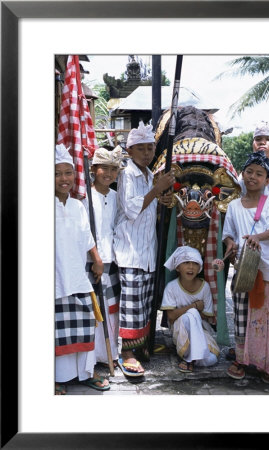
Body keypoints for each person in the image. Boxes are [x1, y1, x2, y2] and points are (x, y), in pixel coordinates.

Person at [113, 121, 175, 378]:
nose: (147, 153)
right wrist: (157, 190)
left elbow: (151, 212)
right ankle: (127, 354)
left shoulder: (150, 175)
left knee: (144, 303)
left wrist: (163, 200)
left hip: (147, 251)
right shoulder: (127, 173)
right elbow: (131, 209)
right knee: (131, 305)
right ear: (130, 151)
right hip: (130, 250)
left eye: (150, 148)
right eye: (142, 149)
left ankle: (140, 347)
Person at [222, 151, 269, 384]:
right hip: (244, 270)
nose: (252, 177)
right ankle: (242, 360)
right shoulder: (233, 207)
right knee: (242, 317)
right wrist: (230, 245)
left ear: (267, 181)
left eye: (259, 174)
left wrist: (258, 236)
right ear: (242, 174)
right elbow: (228, 234)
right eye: (249, 171)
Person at [55, 144, 110, 394]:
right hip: (55, 279)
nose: (64, 179)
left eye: (68, 173)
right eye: (57, 173)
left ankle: (85, 373)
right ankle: (56, 378)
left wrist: (97, 259)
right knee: (56, 331)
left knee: (86, 323)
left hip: (78, 277)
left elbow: (87, 238)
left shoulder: (77, 206)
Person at [82, 147, 123, 370]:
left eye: (113, 169)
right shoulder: (85, 198)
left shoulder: (117, 197)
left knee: (111, 309)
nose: (108, 173)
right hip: (91, 261)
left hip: (112, 260)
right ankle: (94, 355)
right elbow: (85, 232)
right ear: (94, 169)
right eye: (104, 168)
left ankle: (111, 353)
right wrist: (94, 258)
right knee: (95, 309)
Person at [160, 246, 220, 372]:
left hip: (201, 330)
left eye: (195, 264)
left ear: (200, 268)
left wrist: (196, 313)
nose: (191, 267)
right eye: (186, 263)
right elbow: (170, 316)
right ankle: (189, 360)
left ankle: (194, 355)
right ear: (177, 267)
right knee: (190, 314)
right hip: (180, 331)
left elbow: (207, 316)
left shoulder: (205, 287)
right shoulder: (171, 287)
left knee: (211, 360)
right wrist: (193, 306)